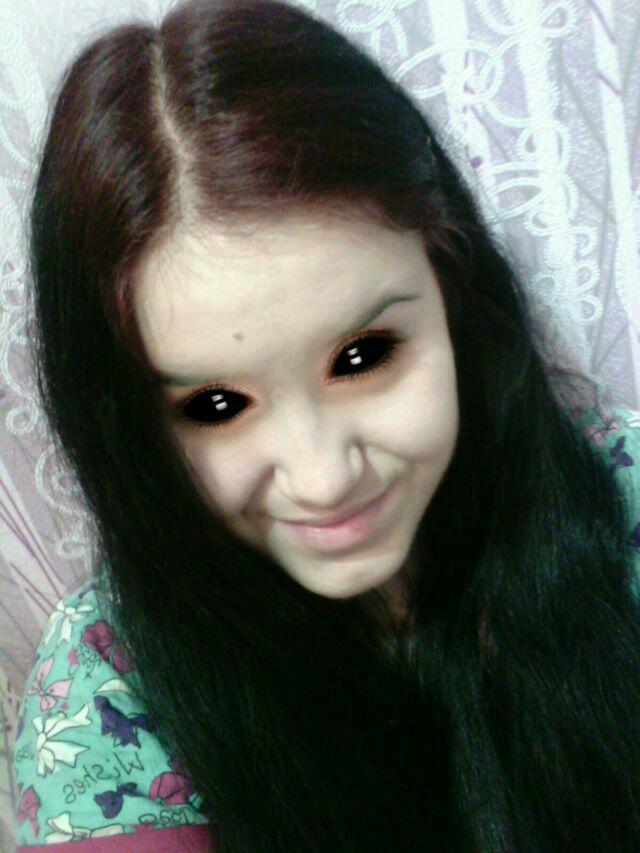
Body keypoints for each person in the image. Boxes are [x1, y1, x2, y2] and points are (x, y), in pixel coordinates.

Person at [11, 0, 640, 849]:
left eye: (363, 355)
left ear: (453, 292)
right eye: (217, 406)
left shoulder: (622, 500)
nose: (324, 476)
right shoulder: (105, 692)